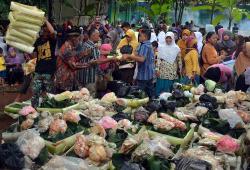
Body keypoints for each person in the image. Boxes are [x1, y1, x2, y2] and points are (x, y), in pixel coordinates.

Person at [54, 27, 90, 92]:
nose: (80, 40)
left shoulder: (70, 47)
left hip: (67, 81)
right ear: (73, 38)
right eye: (79, 38)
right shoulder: (66, 48)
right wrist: (89, 64)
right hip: (63, 82)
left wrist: (83, 54)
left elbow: (73, 59)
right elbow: (73, 66)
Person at [122, 29, 155, 98]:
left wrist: (129, 56)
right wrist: (132, 56)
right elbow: (137, 54)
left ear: (145, 37)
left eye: (140, 36)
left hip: (144, 74)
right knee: (150, 92)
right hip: (149, 73)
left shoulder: (145, 46)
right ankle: (152, 103)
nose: (139, 37)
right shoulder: (146, 44)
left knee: (138, 93)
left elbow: (142, 59)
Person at [31, 19, 57, 107]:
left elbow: (53, 32)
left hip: (48, 72)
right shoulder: (38, 41)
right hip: (38, 71)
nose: (46, 32)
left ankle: (48, 111)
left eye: (47, 30)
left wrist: (45, 20)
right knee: (35, 94)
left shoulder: (52, 40)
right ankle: (34, 111)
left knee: (49, 95)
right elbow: (34, 55)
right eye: (44, 30)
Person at [80, 28, 101, 96]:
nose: (99, 37)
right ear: (93, 36)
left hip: (82, 76)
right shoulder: (92, 47)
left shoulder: (84, 44)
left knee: (82, 97)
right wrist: (111, 59)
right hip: (90, 77)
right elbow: (96, 61)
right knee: (90, 97)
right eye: (98, 35)